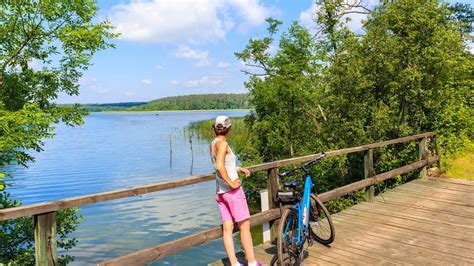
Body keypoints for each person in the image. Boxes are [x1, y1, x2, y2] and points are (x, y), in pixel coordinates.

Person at [210, 116, 262, 266]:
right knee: (244, 227)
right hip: (232, 193)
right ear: (229, 129)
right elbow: (219, 166)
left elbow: (224, 164)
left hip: (221, 193)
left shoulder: (213, 143)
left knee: (228, 228)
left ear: (215, 128)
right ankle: (252, 263)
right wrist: (232, 183)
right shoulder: (223, 144)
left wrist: (238, 169)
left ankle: (234, 264)